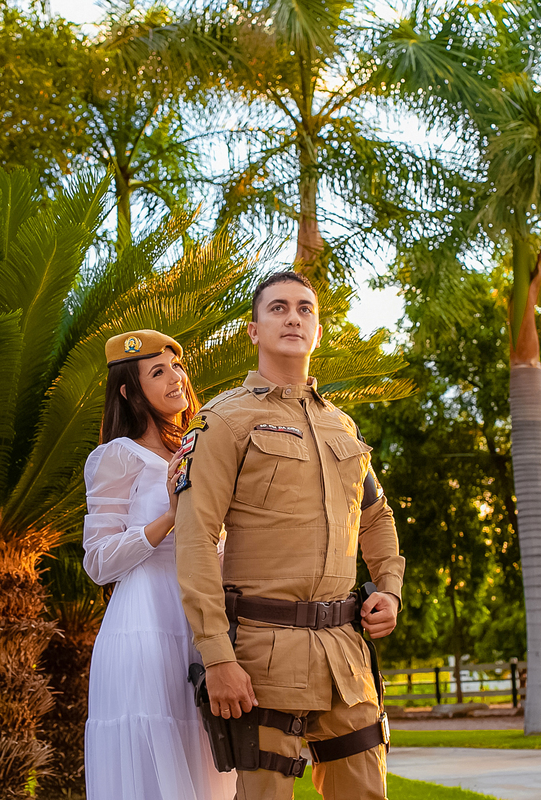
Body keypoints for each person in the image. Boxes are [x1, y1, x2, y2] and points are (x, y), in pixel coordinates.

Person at [173, 271, 406, 800]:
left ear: (317, 331)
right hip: (261, 656)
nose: (293, 317)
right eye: (277, 308)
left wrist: (390, 589)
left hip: (345, 657)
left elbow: (377, 518)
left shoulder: (342, 427)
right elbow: (195, 538)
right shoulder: (222, 420)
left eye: (305, 309)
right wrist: (218, 656)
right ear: (254, 330)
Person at [82, 329, 237, 800]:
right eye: (157, 372)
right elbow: (98, 561)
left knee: (208, 761)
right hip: (144, 628)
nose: (176, 378)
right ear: (129, 392)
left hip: (201, 625)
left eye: (177, 367)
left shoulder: (202, 452)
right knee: (154, 764)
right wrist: (170, 516)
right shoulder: (116, 456)